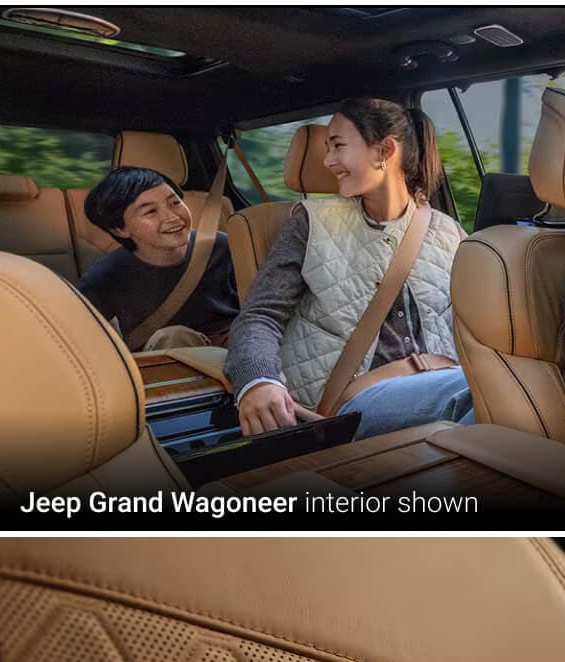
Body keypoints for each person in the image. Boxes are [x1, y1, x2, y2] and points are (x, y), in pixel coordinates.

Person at [225, 97, 473, 439]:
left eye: (338, 146)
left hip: (442, 379)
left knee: (509, 388)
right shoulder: (311, 223)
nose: (328, 161)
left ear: (385, 151)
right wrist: (257, 379)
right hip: (355, 398)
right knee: (481, 394)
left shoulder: (449, 232)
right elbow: (259, 316)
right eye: (327, 148)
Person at [79, 166, 239, 349]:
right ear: (120, 229)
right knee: (173, 337)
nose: (172, 217)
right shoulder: (104, 278)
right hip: (170, 357)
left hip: (238, 344)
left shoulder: (225, 247)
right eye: (150, 212)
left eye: (175, 203)